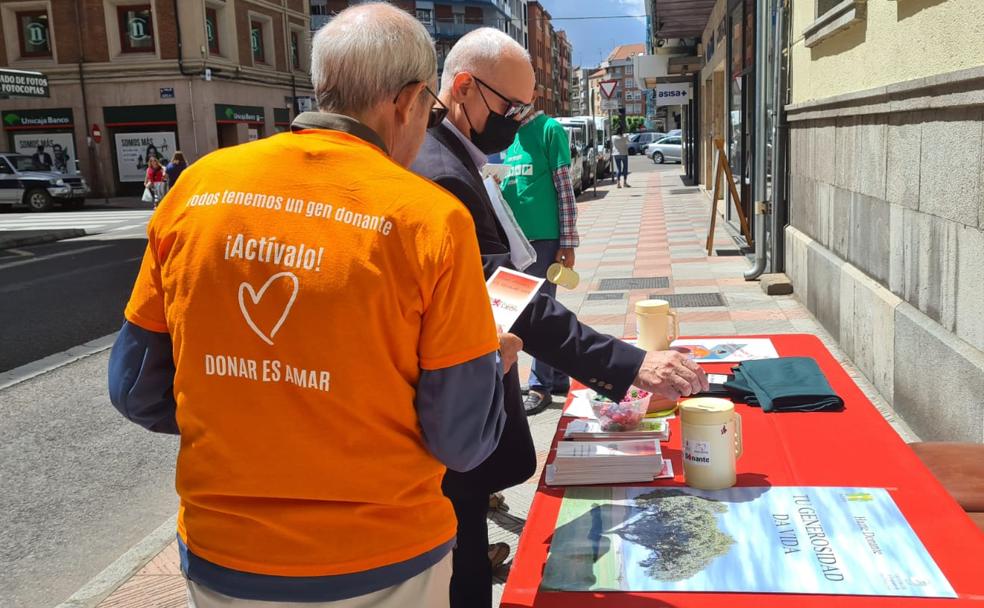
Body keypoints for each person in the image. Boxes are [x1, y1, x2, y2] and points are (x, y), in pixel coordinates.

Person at [108, 4, 510, 606]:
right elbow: (462, 439)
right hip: (384, 562)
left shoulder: (196, 188)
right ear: (407, 101)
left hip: (226, 558)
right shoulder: (429, 218)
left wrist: (255, 408)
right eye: (428, 112)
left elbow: (135, 387)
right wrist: (492, 369)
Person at [411, 27, 708, 608]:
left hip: (469, 387)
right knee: (460, 555)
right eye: (509, 106)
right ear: (464, 89)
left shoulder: (456, 155)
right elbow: (507, 290)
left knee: (465, 538)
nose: (517, 121)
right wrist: (630, 365)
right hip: (450, 407)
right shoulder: (440, 169)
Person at [498, 97, 579, 414]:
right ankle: (555, 376)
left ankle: (540, 386)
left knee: (538, 314)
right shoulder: (512, 137)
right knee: (524, 311)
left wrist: (568, 241)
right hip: (516, 240)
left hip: (544, 239)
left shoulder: (549, 130)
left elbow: (564, 188)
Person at [611, 123, 630, 188]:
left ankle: (618, 183)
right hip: (624, 153)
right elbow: (629, 141)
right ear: (622, 131)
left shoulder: (613, 137)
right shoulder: (625, 136)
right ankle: (624, 182)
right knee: (625, 168)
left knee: (618, 168)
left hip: (616, 154)